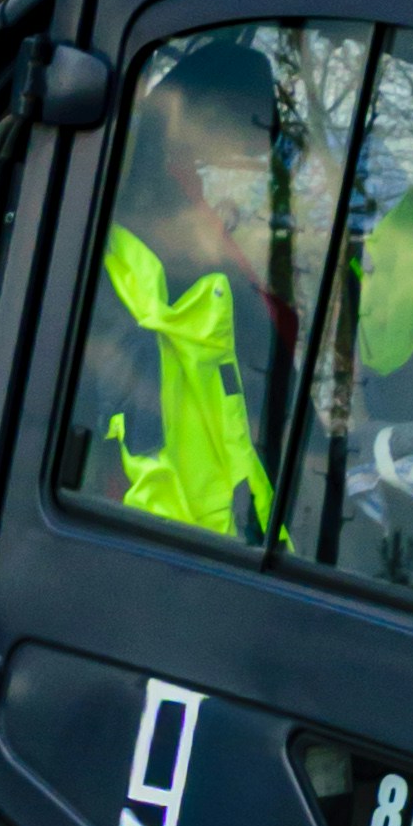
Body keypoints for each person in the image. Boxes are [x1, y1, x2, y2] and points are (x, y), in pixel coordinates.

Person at [81, 33, 284, 540]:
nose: (254, 168)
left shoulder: (194, 218)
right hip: (161, 536)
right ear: (201, 118)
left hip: (228, 526)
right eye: (247, 147)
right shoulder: (147, 241)